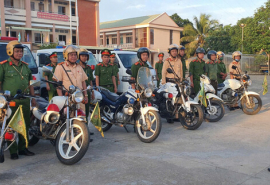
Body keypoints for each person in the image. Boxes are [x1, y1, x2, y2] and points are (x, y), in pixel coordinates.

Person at [0, 40, 36, 160]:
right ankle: (13, 150)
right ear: (10, 52)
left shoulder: (25, 67)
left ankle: (22, 148)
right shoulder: (3, 66)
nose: (20, 53)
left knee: (24, 125)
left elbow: (31, 83)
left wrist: (33, 98)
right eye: (17, 51)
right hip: (10, 101)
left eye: (21, 51)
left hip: (25, 100)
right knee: (10, 126)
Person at [53, 45, 88, 112]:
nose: (74, 57)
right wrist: (62, 100)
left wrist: (85, 95)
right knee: (68, 119)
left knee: (81, 118)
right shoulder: (60, 67)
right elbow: (58, 85)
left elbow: (83, 82)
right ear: (66, 55)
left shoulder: (79, 67)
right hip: (67, 98)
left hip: (79, 97)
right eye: (71, 55)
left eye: (75, 55)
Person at [78, 48, 94, 122]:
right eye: (82, 56)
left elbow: (90, 80)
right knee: (79, 110)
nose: (84, 58)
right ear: (79, 57)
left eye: (85, 56)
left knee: (87, 110)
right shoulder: (77, 67)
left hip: (87, 91)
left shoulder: (89, 68)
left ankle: (86, 127)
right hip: (79, 91)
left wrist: (92, 92)